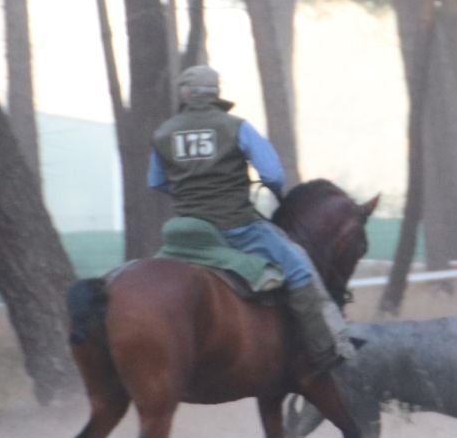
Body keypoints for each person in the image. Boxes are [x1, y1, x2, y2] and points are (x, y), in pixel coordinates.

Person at [147, 65, 353, 375]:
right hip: (236, 228)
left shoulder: (163, 133)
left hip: (185, 232)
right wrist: (272, 190)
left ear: (185, 94)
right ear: (215, 93)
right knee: (298, 269)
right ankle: (325, 353)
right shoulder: (237, 127)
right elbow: (272, 174)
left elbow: (156, 182)